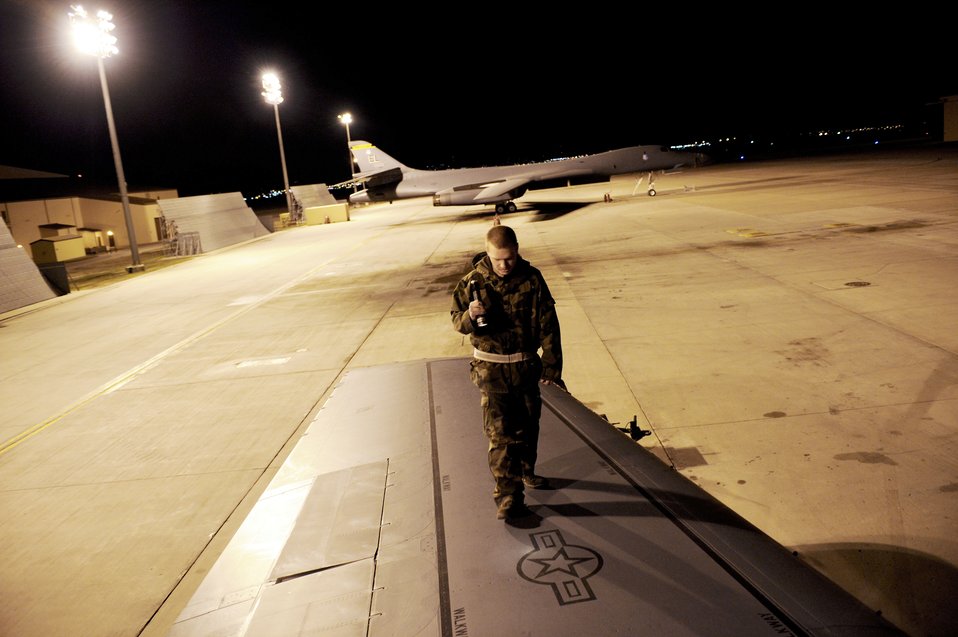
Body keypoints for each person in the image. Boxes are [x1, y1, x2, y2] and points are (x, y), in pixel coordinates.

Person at [450, 224, 564, 520]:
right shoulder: (472, 282)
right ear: (487, 253)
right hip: (492, 372)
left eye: (509, 258)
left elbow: (548, 323)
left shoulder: (532, 278)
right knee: (501, 437)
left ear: (517, 250)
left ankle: (527, 470)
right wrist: (470, 316)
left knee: (529, 427)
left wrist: (552, 365)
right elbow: (457, 322)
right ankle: (509, 497)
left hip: (525, 369)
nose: (504, 265)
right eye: (498, 259)